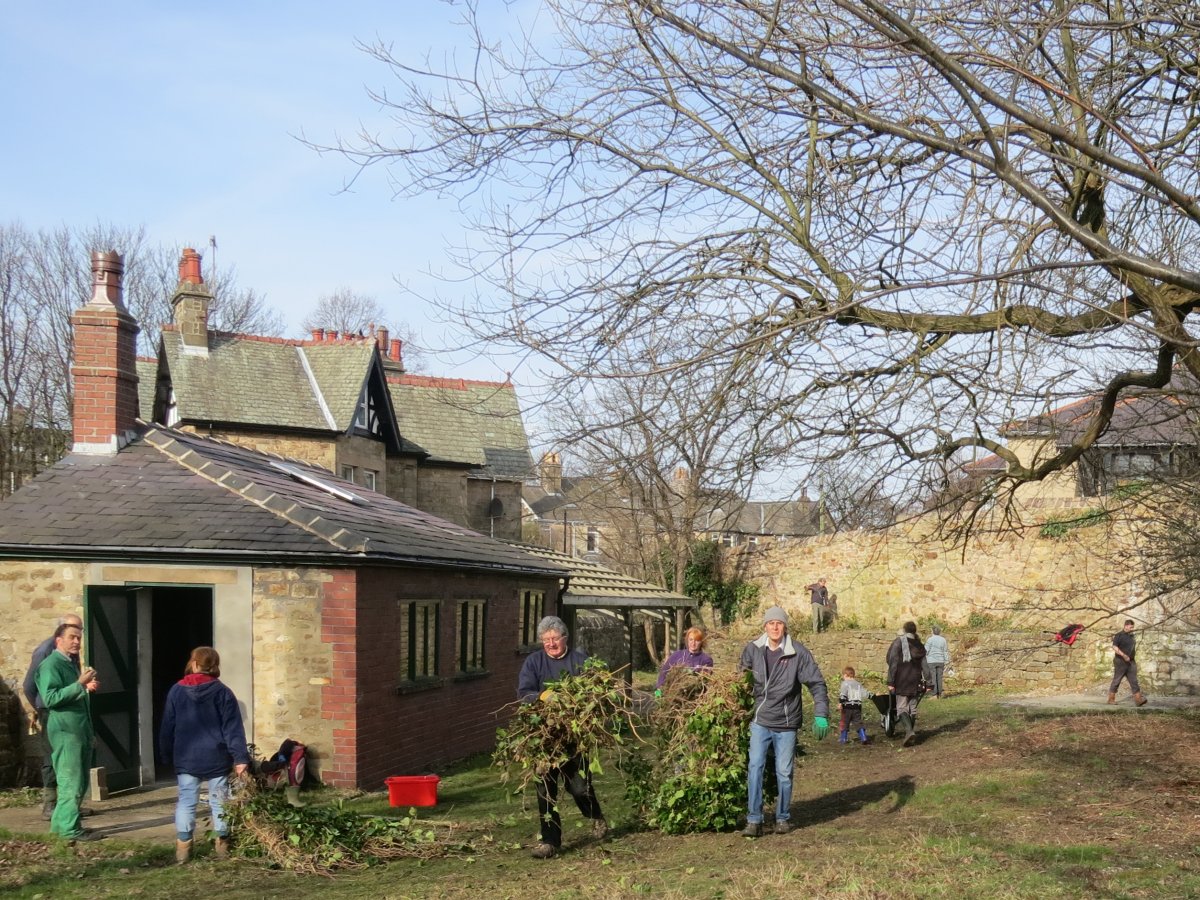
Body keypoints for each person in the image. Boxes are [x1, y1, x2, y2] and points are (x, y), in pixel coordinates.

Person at [516, 615, 608, 859]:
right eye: (546, 640)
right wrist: (541, 696)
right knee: (545, 790)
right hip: (542, 739)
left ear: (564, 638)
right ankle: (550, 842)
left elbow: (596, 690)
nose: (550, 643)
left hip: (573, 738)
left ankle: (595, 816)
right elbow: (523, 693)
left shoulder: (580, 661)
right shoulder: (533, 663)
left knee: (578, 787)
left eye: (555, 638)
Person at [739, 606, 830, 837]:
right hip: (760, 720)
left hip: (787, 723)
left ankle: (782, 817)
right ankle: (754, 820)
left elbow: (817, 683)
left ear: (785, 626)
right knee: (755, 768)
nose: (775, 627)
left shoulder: (797, 652)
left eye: (779, 623)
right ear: (765, 626)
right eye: (771, 623)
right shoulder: (753, 649)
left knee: (783, 772)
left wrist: (821, 713)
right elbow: (740, 681)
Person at [159, 646, 250, 864]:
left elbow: (167, 726)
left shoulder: (176, 691)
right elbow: (233, 729)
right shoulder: (223, 692)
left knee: (186, 801)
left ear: (194, 663)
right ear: (214, 666)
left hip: (186, 757)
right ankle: (222, 845)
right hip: (216, 756)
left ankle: (183, 848)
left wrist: (164, 753)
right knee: (219, 801)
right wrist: (240, 759)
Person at [35, 621, 100, 842]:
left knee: (79, 780)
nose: (76, 642)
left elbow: (70, 694)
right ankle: (70, 831)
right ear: (58, 640)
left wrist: (84, 686)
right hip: (64, 731)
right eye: (72, 637)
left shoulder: (69, 663)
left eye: (79, 638)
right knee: (70, 781)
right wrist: (79, 684)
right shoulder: (51, 665)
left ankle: (62, 826)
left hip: (77, 730)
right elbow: (50, 698)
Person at [23, 614, 86, 821]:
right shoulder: (46, 653)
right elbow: (29, 686)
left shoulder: (71, 653)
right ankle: (50, 804)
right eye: (73, 633)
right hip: (50, 711)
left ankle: (70, 805)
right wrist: (41, 707)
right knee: (52, 757)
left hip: (66, 707)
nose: (77, 638)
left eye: (80, 633)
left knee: (72, 760)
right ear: (60, 633)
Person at [886, 621, 926, 747]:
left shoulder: (898, 643)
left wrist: (891, 681)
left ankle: (909, 732)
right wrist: (929, 682)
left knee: (902, 707)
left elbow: (891, 661)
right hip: (915, 680)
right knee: (912, 708)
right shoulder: (919, 645)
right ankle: (910, 733)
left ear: (904, 630)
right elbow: (925, 665)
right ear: (914, 631)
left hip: (901, 679)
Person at [655, 626, 714, 692]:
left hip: (694, 696)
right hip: (673, 693)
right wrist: (658, 691)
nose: (693, 643)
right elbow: (664, 672)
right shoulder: (677, 655)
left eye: (697, 640)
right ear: (687, 640)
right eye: (691, 639)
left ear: (701, 642)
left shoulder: (706, 660)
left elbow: (704, 681)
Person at [1109, 619, 1148, 707]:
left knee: (1134, 680)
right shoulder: (1119, 635)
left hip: (1131, 662)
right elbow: (1114, 647)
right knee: (1117, 680)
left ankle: (1138, 700)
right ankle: (1111, 699)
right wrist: (1123, 655)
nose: (1132, 629)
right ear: (1126, 626)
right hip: (1120, 661)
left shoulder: (1131, 636)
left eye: (1133, 627)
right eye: (1131, 627)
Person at [838, 666, 868, 745]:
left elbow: (843, 695)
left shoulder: (845, 684)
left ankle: (843, 739)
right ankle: (863, 737)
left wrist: (840, 703)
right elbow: (865, 693)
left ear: (845, 675)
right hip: (857, 707)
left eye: (843, 676)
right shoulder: (858, 684)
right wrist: (873, 696)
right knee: (858, 722)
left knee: (845, 722)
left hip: (847, 707)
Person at [924, 626, 950, 699]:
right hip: (941, 661)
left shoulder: (930, 640)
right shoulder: (943, 640)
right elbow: (945, 651)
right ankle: (940, 693)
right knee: (939, 678)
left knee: (933, 678)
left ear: (932, 631)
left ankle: (934, 695)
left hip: (931, 661)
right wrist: (947, 661)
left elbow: (926, 650)